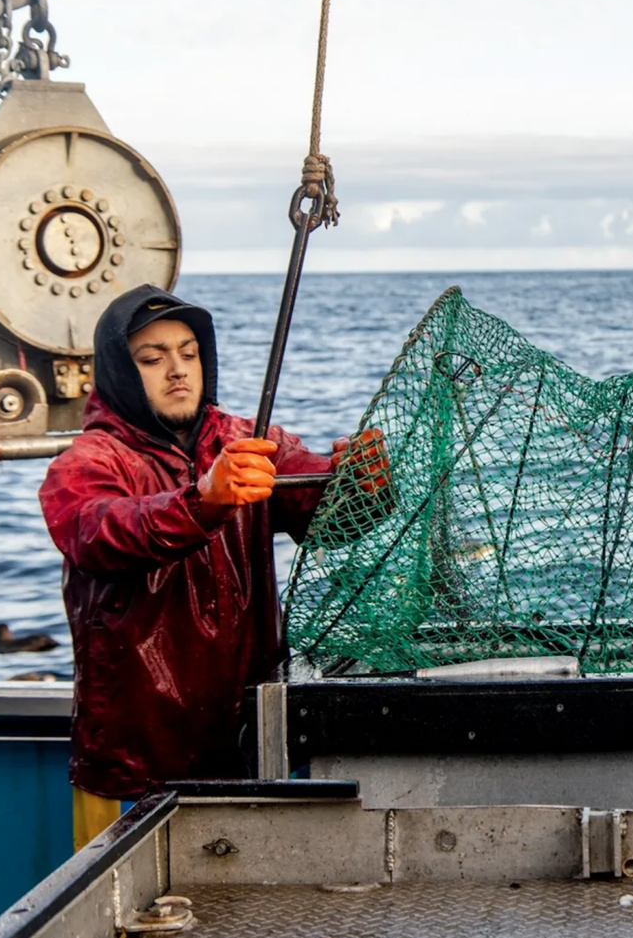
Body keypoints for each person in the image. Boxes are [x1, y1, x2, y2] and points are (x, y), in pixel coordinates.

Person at [39, 284, 389, 848]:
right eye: (152, 358)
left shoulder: (246, 440)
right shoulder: (85, 464)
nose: (177, 370)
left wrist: (363, 482)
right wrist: (205, 501)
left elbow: (319, 506)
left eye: (189, 352)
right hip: (134, 764)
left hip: (249, 743)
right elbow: (104, 532)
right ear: (119, 371)